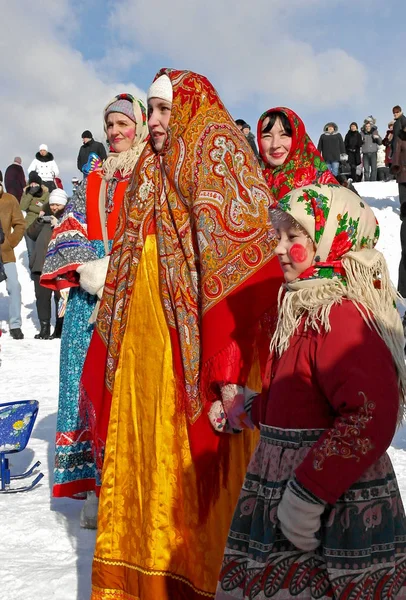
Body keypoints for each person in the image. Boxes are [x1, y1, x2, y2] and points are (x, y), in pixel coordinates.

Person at [84, 69, 283, 599]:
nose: (154, 123)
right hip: (143, 351)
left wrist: (227, 374)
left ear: (189, 111)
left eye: (163, 111)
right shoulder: (150, 168)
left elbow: (232, 281)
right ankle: (137, 578)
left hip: (195, 355)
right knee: (145, 461)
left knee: (194, 487)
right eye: (150, 112)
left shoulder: (215, 157)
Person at [217, 183, 406, 599]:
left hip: (331, 509)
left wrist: (308, 496)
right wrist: (255, 407)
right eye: (278, 236)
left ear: (329, 239)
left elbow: (370, 413)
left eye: (294, 237)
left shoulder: (341, 315)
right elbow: (299, 391)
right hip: (290, 495)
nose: (281, 249)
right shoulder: (304, 307)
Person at [40, 94, 148, 516]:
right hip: (91, 289)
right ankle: (94, 482)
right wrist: (88, 266)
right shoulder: (93, 176)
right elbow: (75, 226)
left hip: (136, 285)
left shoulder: (150, 170)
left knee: (126, 379)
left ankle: (129, 476)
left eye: (123, 123)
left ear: (138, 126)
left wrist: (119, 266)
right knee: (83, 374)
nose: (116, 132)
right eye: (110, 126)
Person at [257, 107, 337, 201]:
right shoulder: (252, 184)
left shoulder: (321, 185)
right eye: (267, 136)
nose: (275, 145)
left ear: (298, 137)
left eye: (284, 135)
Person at [27, 189, 68, 339]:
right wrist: (38, 220)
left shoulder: (67, 218)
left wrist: (59, 225)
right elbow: (30, 234)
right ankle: (44, 328)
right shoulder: (44, 215)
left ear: (63, 204)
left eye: (57, 204)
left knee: (60, 297)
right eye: (52, 204)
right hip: (40, 264)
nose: (54, 207)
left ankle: (59, 328)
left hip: (58, 265)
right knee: (42, 298)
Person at [0, 181, 25, 339]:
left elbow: (20, 224)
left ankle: (15, 324)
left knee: (14, 286)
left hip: (5, 252)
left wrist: (9, 243)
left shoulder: (9, 200)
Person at [20, 172, 50, 261]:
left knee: (41, 251)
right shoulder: (26, 193)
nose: (33, 186)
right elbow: (22, 207)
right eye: (32, 183)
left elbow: (45, 208)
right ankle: (33, 273)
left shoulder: (45, 194)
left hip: (41, 226)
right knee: (31, 252)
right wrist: (30, 195)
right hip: (28, 226)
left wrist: (31, 207)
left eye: (35, 183)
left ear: (40, 184)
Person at [391, 122, 406, 210]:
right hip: (402, 169)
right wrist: (395, 166)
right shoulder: (400, 138)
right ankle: (404, 211)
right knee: (403, 193)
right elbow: (396, 153)